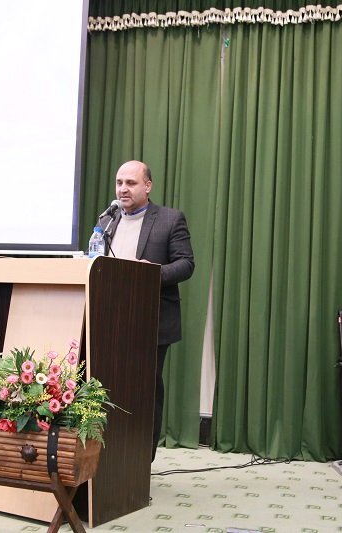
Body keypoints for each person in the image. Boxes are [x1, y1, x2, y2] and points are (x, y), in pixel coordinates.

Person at [98, 160, 195, 462]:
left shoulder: (169, 219)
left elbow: (186, 264)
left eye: (131, 183)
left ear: (148, 186)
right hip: (110, 317)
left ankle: (141, 461)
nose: (123, 189)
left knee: (145, 389)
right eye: (119, 183)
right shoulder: (108, 221)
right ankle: (107, 457)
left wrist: (151, 273)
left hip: (150, 319)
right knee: (107, 387)